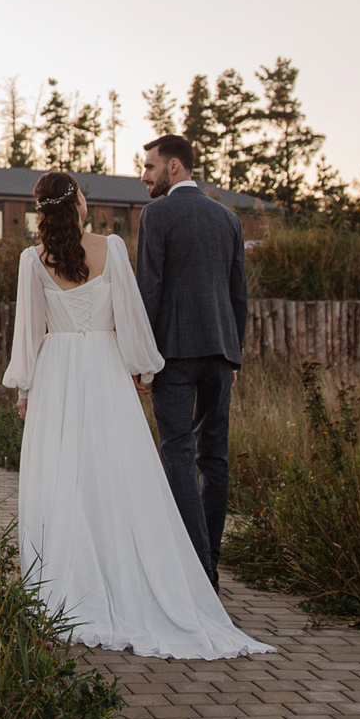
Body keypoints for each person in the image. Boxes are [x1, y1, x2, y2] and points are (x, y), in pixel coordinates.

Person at [1, 170, 271, 661]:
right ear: (79, 202)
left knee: (64, 477)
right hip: (104, 368)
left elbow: (29, 333)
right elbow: (131, 313)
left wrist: (25, 387)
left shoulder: (31, 260)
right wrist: (142, 368)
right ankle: (130, 576)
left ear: (42, 211)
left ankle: (69, 584)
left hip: (57, 372)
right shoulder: (114, 248)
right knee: (116, 474)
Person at [135, 134, 250, 589]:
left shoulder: (157, 214)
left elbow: (150, 289)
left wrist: (142, 359)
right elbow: (238, 293)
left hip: (175, 354)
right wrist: (234, 355)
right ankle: (211, 558)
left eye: (149, 167)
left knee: (178, 452)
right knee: (214, 456)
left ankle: (198, 566)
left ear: (175, 168)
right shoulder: (229, 218)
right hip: (221, 351)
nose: (144, 176)